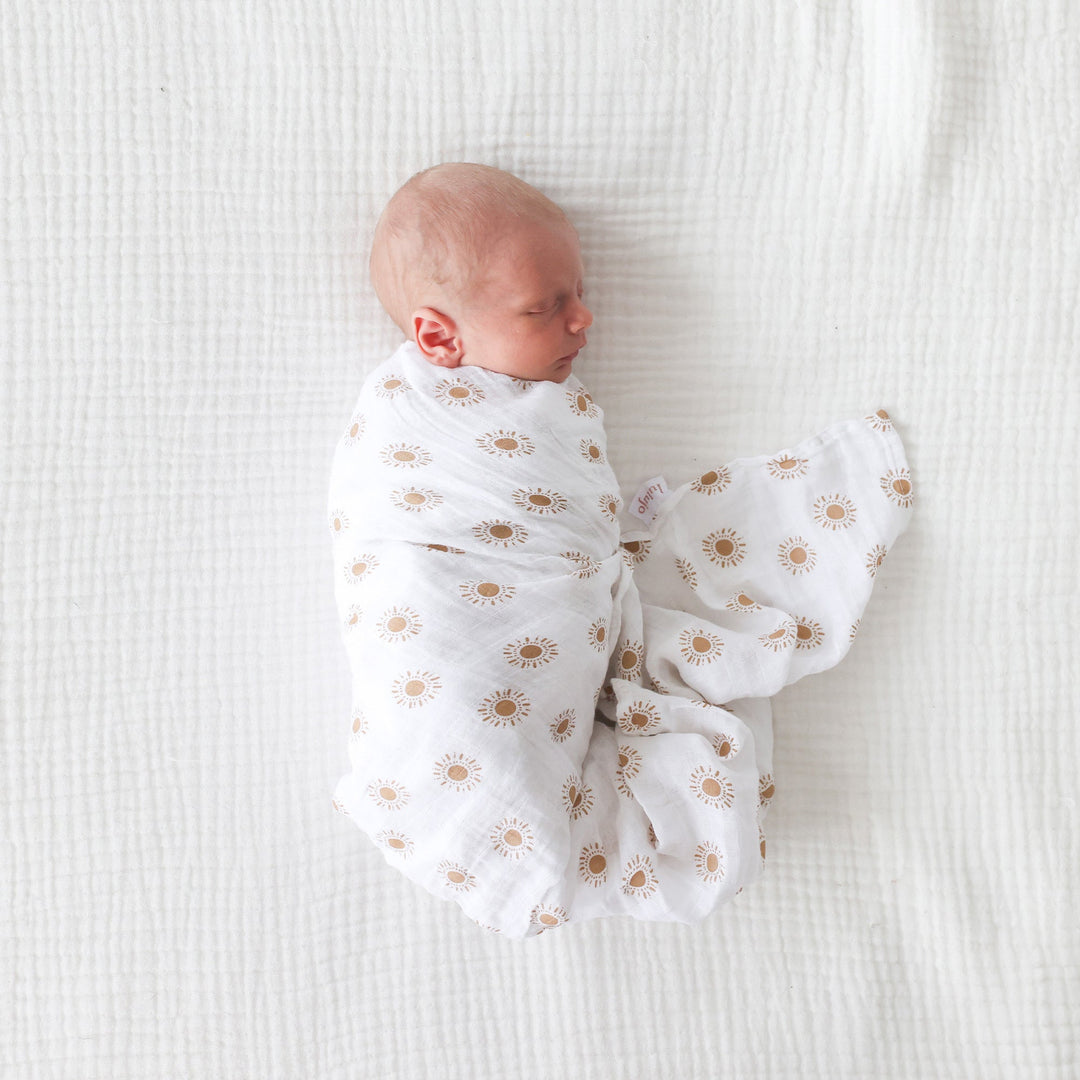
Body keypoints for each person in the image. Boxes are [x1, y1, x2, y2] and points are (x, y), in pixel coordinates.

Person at [329, 163, 914, 938]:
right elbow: (396, 547)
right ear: (438, 336)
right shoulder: (411, 424)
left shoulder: (539, 410)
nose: (583, 319)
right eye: (545, 307)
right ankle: (487, 822)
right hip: (447, 654)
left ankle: (524, 828)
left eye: (577, 293)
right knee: (472, 722)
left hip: (530, 623)